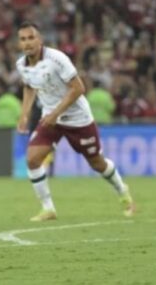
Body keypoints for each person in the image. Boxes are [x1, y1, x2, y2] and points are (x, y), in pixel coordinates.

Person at [15, 22, 135, 222]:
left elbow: (78, 88)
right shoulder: (22, 65)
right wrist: (24, 115)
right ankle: (48, 208)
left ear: (40, 40)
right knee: (32, 159)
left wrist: (56, 113)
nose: (27, 43)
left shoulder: (57, 59)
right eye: (23, 39)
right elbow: (29, 87)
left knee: (97, 163)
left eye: (31, 38)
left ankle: (122, 190)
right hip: (50, 117)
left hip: (77, 118)